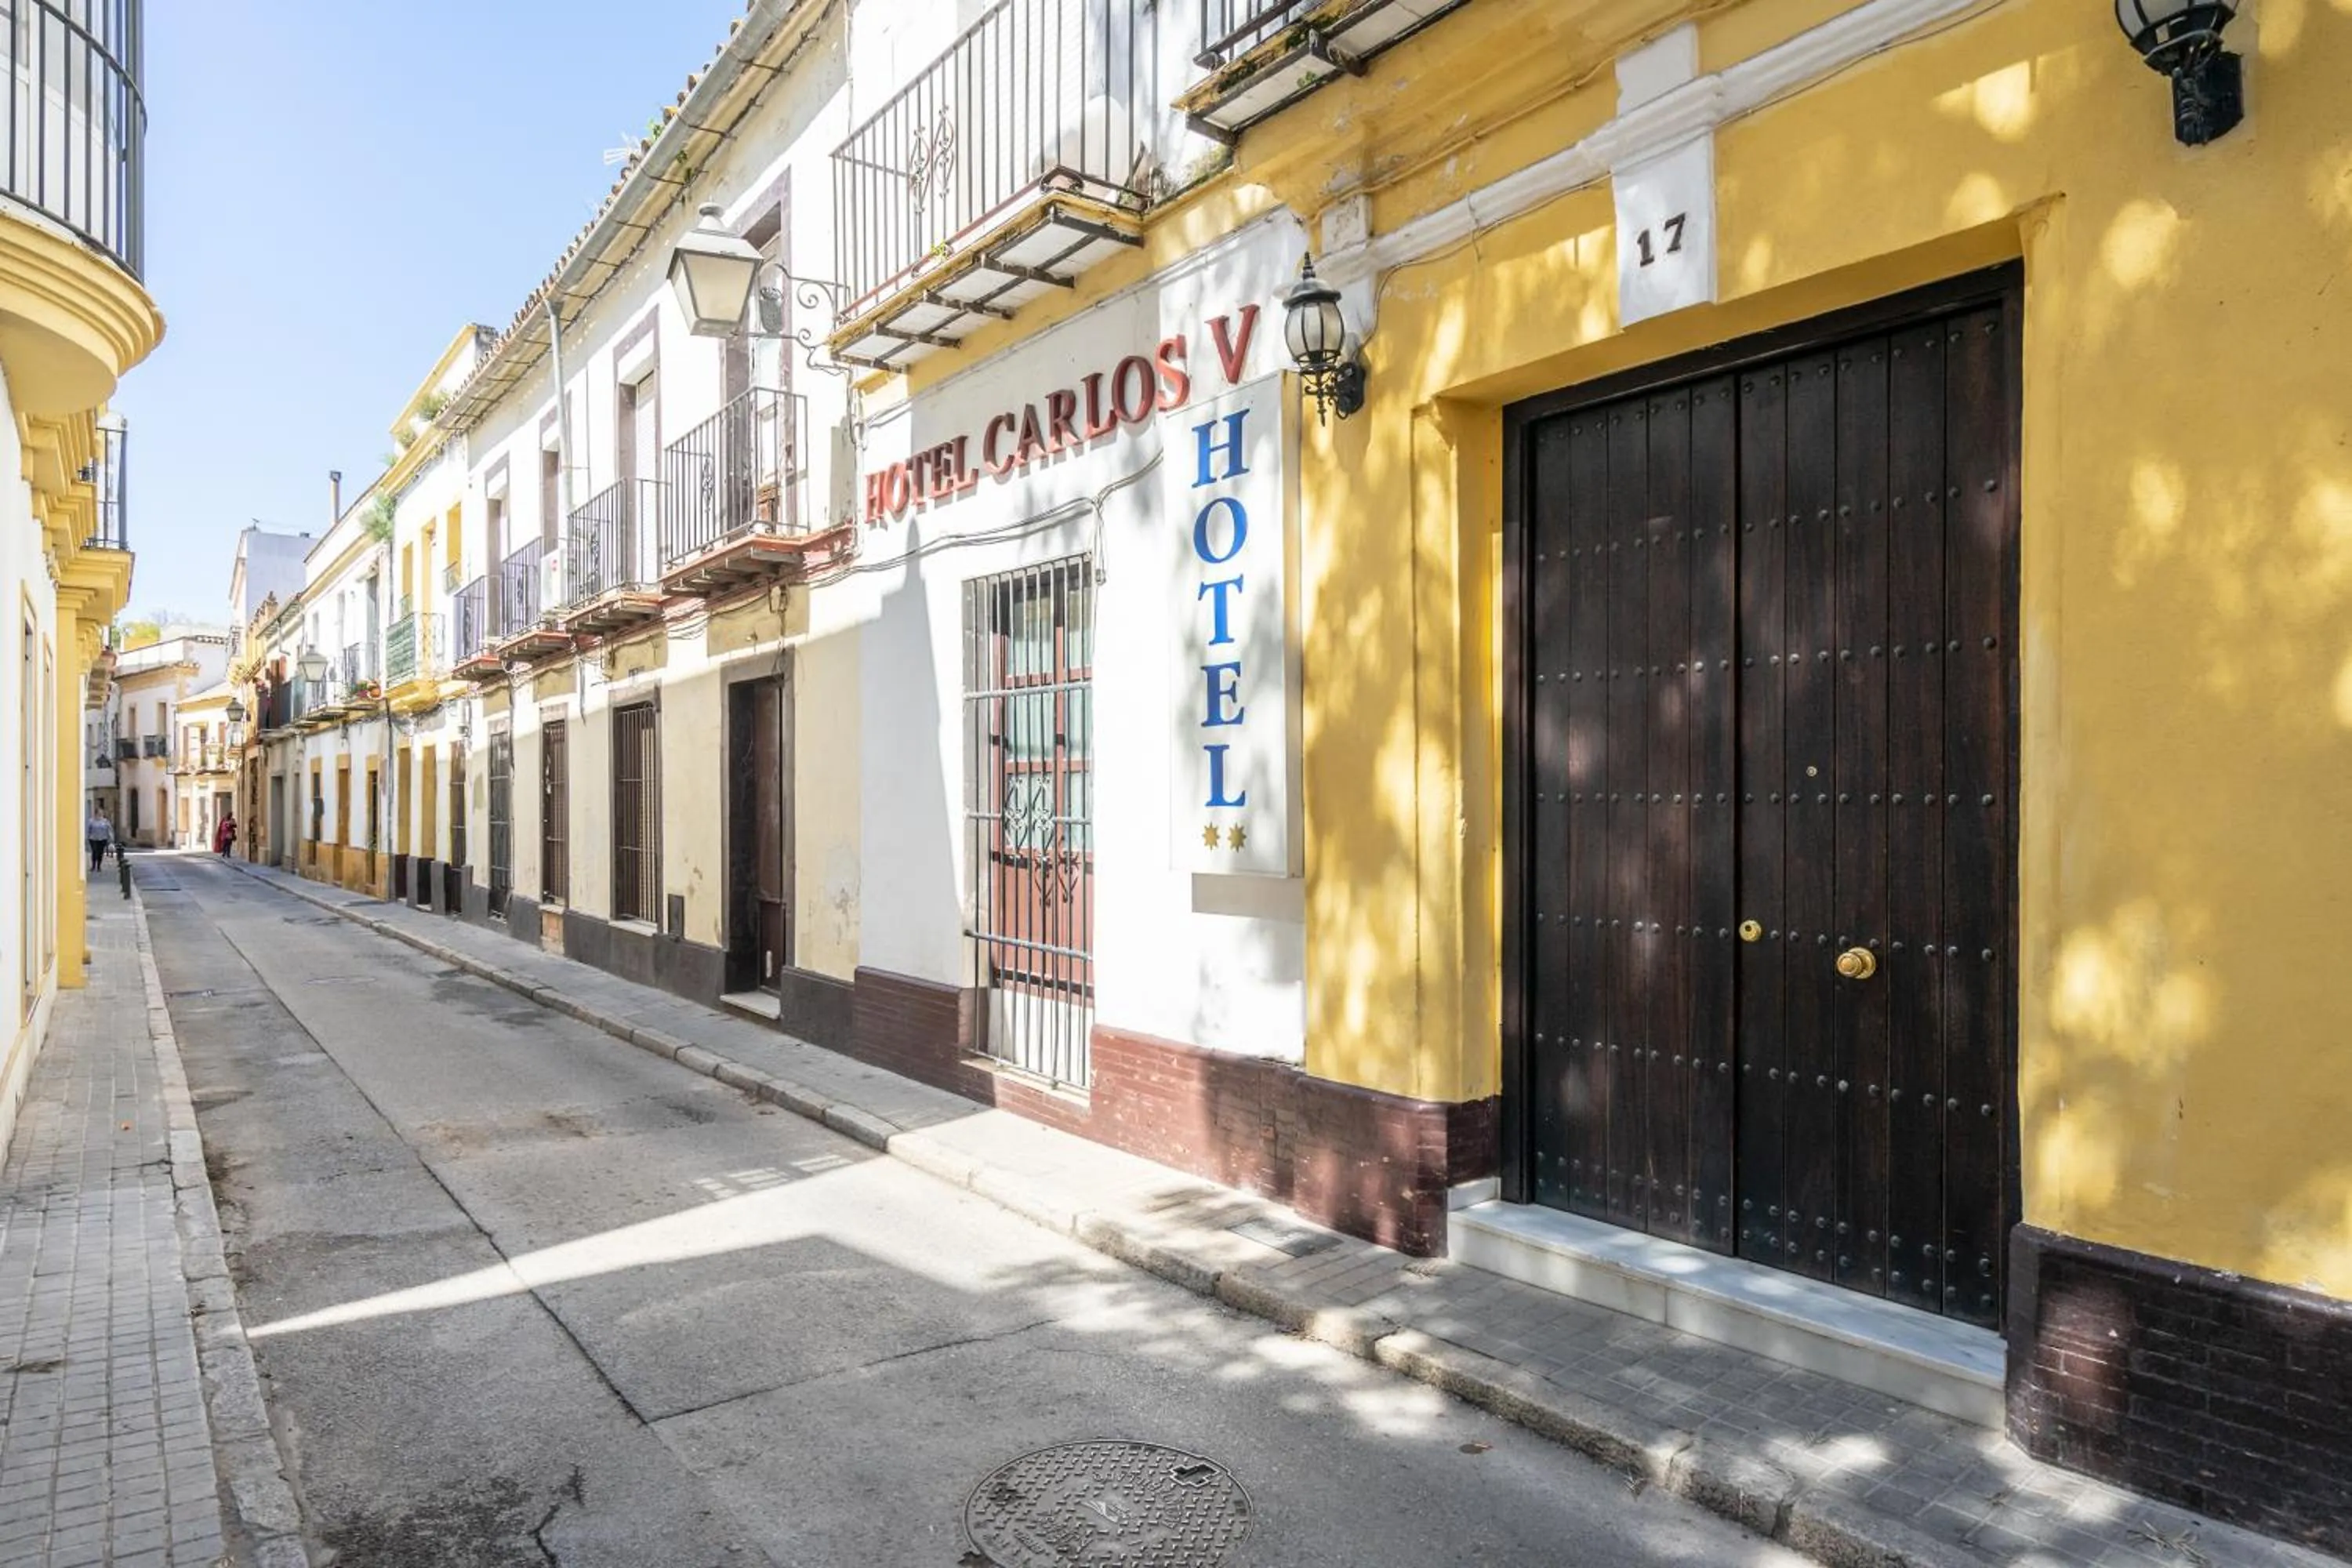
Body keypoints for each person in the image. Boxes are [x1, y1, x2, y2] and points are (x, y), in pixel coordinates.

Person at [86, 806, 111, 872]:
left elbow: (109, 830)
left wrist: (110, 838)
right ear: (96, 813)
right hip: (93, 839)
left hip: (103, 839)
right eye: (99, 813)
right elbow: (88, 830)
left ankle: (99, 866)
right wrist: (87, 837)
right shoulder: (91, 821)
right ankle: (93, 866)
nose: (100, 814)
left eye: (101, 813)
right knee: (94, 852)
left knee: (100, 852)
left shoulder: (105, 821)